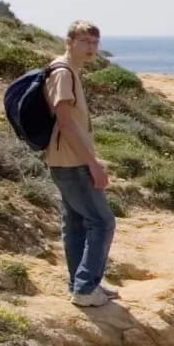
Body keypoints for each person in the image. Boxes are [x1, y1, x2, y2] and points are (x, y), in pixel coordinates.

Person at [45, 20, 118, 308]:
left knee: (76, 222)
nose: (91, 48)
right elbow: (65, 123)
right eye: (85, 41)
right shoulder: (63, 73)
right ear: (70, 41)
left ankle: (82, 282)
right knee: (102, 222)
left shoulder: (68, 70)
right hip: (71, 161)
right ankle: (86, 287)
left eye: (95, 42)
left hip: (66, 158)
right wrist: (93, 164)